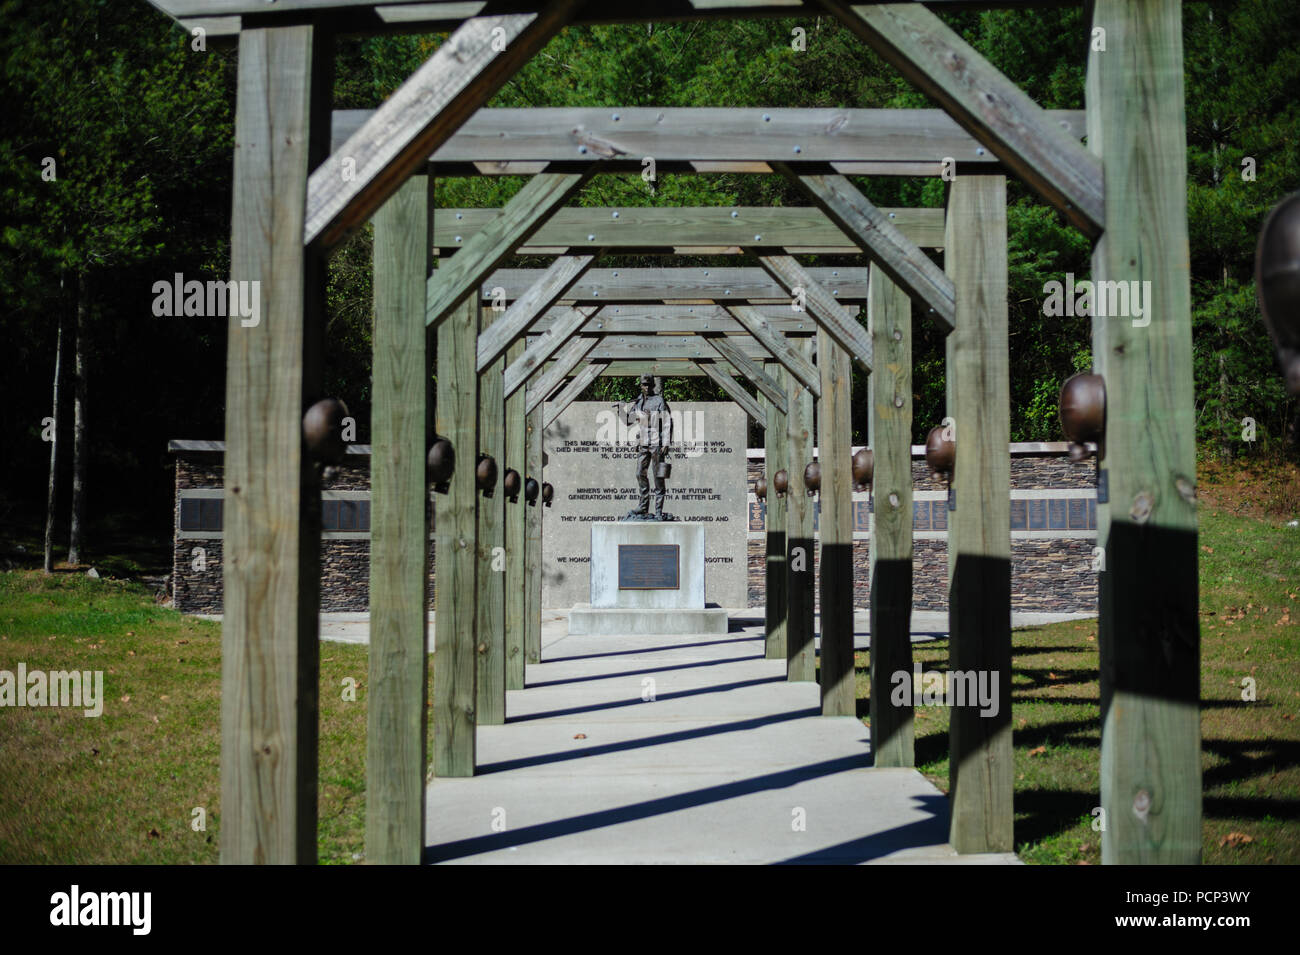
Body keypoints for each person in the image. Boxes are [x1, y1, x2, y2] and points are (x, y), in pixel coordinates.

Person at [620, 375, 674, 520]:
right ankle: (643, 506)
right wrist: (620, 408)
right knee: (639, 473)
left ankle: (658, 511)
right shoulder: (638, 402)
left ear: (652, 385)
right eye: (644, 385)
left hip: (657, 443)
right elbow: (627, 421)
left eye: (649, 385)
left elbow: (668, 422)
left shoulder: (659, 401)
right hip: (644, 443)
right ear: (641, 386)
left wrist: (667, 443)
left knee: (658, 477)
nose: (647, 387)